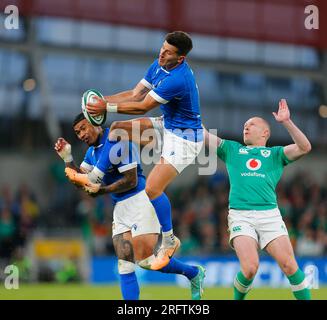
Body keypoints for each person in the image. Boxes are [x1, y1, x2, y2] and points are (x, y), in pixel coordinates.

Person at [70, 31, 204, 270]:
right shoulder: (159, 64)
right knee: (117, 129)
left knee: (152, 189)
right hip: (168, 126)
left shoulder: (178, 78)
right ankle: (96, 175)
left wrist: (107, 106)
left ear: (180, 58)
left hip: (185, 138)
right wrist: (101, 101)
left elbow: (142, 107)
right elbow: (134, 94)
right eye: (163, 48)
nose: (162, 53)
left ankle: (170, 239)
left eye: (168, 52)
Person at [55, 113, 205, 300]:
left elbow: (131, 180)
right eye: (77, 132)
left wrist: (101, 190)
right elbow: (81, 181)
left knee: (146, 261)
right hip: (120, 208)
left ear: (97, 123)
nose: (81, 135)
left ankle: (193, 273)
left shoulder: (118, 140)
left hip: (139, 201)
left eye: (84, 128)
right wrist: (67, 158)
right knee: (124, 265)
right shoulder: (91, 153)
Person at [204, 99, 312, 300]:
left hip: (269, 214)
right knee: (250, 268)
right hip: (240, 215)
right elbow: (203, 136)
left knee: (289, 265)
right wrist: (190, 109)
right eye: (244, 125)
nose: (246, 127)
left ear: (265, 133)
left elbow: (305, 147)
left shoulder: (275, 154)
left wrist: (287, 122)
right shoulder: (232, 149)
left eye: (251, 124)